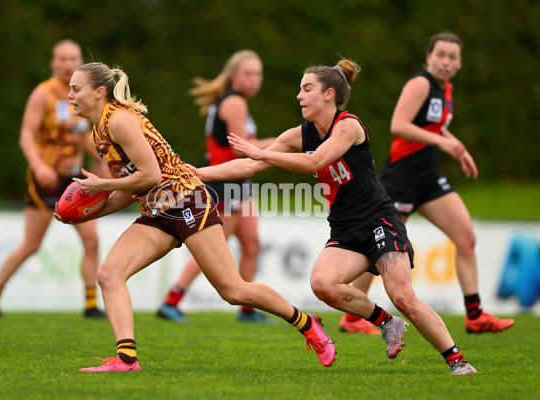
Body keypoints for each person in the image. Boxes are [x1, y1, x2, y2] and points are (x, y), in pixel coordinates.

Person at [196, 57, 477, 375]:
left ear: (328, 94)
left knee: (402, 295)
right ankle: (387, 323)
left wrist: (262, 152)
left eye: (306, 89)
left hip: (379, 220)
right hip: (345, 227)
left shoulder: (348, 126)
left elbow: (315, 162)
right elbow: (249, 166)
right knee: (323, 284)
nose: (299, 96)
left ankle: (458, 361)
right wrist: (197, 172)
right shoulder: (299, 134)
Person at [58, 61, 336, 372]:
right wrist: (83, 216)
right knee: (109, 275)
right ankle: (126, 360)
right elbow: (127, 190)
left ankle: (306, 322)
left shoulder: (119, 121)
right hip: (156, 212)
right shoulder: (98, 133)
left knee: (233, 290)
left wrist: (102, 185)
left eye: (75, 88)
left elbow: (149, 175)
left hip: (188, 201)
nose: (69, 95)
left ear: (98, 92)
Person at [339, 32, 514, 336]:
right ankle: (353, 317)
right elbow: (399, 125)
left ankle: (475, 315)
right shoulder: (420, 83)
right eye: (441, 55)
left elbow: (436, 127)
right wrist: (442, 142)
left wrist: (456, 145)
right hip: (401, 179)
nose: (446, 61)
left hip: (430, 181)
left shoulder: (447, 89)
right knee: (379, 250)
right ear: (429, 57)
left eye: (452, 57)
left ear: (460, 63)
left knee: (466, 238)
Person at [0, 40, 106, 318]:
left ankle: (90, 304)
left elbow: (83, 138)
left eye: (74, 58)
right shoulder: (43, 93)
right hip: (47, 177)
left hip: (74, 179)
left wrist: (104, 160)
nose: (68, 63)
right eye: (63, 58)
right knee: (32, 244)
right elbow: (26, 135)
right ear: (53, 63)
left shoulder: (80, 95)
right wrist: (38, 167)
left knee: (92, 240)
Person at [157, 50, 275, 323]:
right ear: (234, 75)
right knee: (213, 247)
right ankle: (171, 300)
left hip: (238, 183)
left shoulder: (234, 100)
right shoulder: (234, 102)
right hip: (225, 182)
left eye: (258, 74)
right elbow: (242, 148)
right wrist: (285, 143)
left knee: (251, 244)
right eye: (248, 73)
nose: (254, 79)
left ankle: (247, 309)